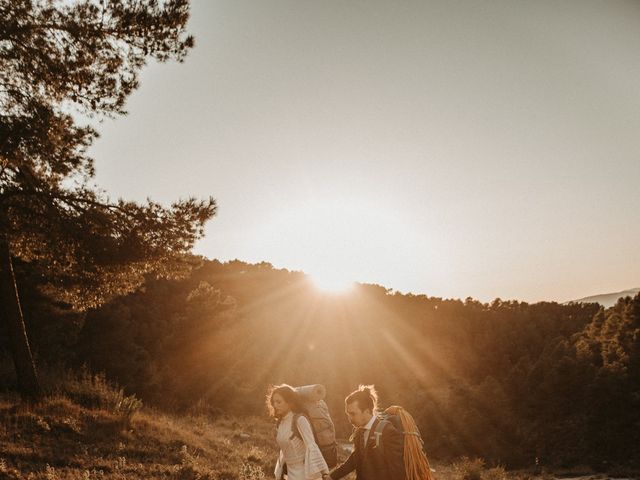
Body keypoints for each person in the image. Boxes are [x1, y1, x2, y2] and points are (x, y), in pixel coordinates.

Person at [328, 385, 405, 480]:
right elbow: (354, 460)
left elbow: (397, 470)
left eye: (353, 414)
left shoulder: (387, 431)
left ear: (367, 411)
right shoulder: (359, 432)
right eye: (348, 414)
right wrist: (331, 477)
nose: (350, 419)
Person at [268, 384, 331, 480]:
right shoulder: (281, 422)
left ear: (289, 402)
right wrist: (279, 471)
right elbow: (284, 450)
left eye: (279, 402)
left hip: (304, 473)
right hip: (290, 473)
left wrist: (324, 473)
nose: (275, 405)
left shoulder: (299, 419)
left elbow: (312, 445)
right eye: (273, 402)